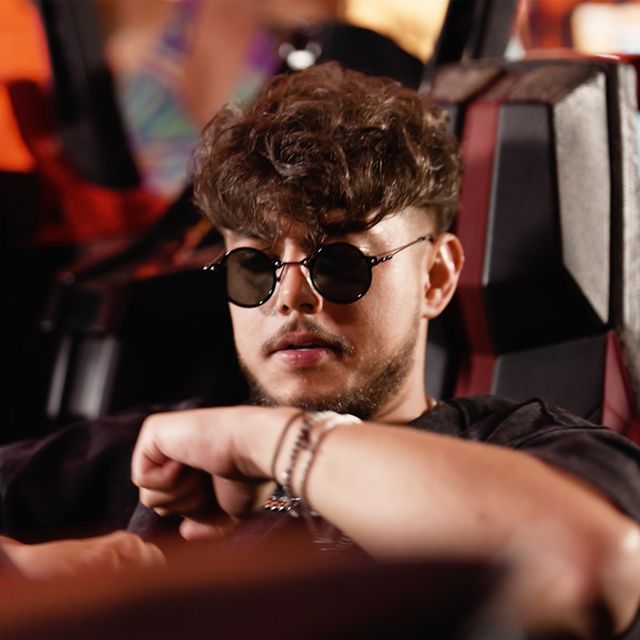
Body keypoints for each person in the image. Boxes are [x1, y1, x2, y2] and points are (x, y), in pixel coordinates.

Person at [127, 62, 640, 638]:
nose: (291, 295)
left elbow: (588, 564)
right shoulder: (159, 455)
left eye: (338, 263)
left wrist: (279, 443)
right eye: (254, 267)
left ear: (435, 277)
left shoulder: (535, 452)